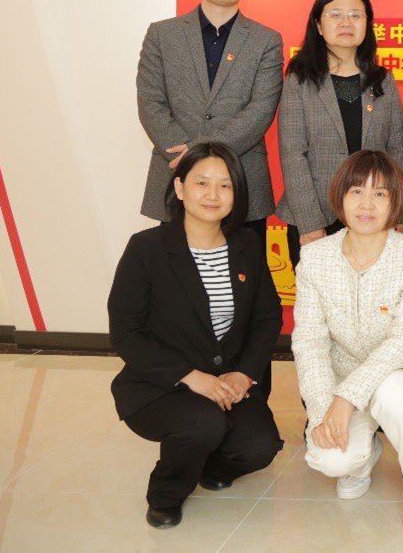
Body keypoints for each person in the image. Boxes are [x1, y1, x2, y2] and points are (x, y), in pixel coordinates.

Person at [108, 141, 283, 529]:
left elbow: (267, 318)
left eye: (225, 185)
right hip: (162, 385)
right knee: (202, 423)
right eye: (202, 183)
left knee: (260, 446)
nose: (213, 194)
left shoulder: (247, 244)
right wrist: (188, 376)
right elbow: (125, 332)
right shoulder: (147, 248)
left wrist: (244, 374)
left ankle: (208, 464)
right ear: (180, 187)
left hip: (227, 381)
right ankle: (167, 493)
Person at [292, 150, 403, 541]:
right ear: (340, 197)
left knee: (396, 392)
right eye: (357, 191)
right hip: (343, 378)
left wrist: (346, 399)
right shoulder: (314, 258)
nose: (366, 204)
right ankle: (363, 458)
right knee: (330, 458)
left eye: (380, 194)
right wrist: (323, 409)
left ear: (396, 202)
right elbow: (309, 342)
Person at [136, 0, 283, 252]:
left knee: (245, 277)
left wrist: (198, 151)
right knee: (175, 277)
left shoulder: (266, 41)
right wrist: (189, 160)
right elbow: (151, 104)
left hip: (242, 181)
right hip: (176, 179)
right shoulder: (162, 35)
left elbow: (260, 111)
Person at [277, 0, 403, 267]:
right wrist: (310, 223)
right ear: (318, 25)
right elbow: (293, 154)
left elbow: (397, 150)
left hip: (373, 214)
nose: (346, 22)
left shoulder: (382, 81)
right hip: (316, 214)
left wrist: (401, 213)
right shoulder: (300, 80)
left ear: (367, 25)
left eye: (355, 15)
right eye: (335, 14)